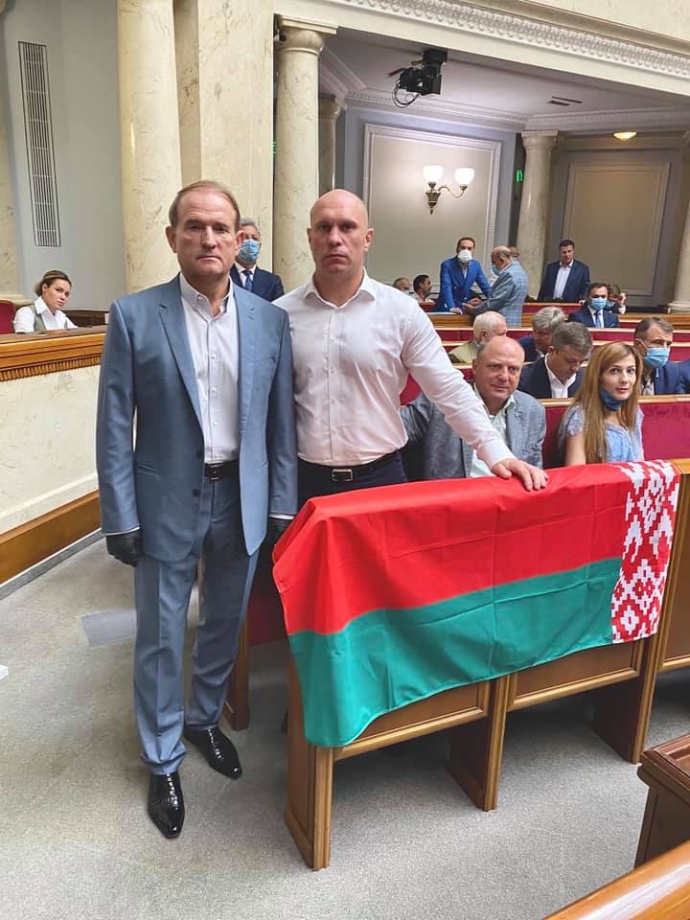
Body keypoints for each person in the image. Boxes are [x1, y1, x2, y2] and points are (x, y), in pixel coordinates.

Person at [96, 180, 297, 840]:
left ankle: (202, 719)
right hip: (163, 502)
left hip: (241, 496)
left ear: (239, 239)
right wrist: (120, 515)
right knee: (160, 634)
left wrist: (280, 505)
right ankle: (162, 758)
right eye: (194, 227)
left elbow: (279, 426)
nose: (208, 239)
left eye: (220, 228)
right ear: (173, 237)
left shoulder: (268, 320)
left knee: (223, 623)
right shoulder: (134, 315)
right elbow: (114, 426)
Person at [275, 189, 547, 506]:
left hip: (379, 478)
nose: (335, 238)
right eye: (324, 227)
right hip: (303, 480)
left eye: (347, 227)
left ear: (367, 238)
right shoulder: (281, 313)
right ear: (310, 238)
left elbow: (447, 387)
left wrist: (496, 451)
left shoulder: (401, 312)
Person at [401, 336, 545, 479]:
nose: (504, 376)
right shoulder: (437, 402)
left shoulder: (533, 411)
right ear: (475, 367)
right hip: (455, 492)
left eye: (513, 369)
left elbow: (534, 473)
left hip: (508, 492)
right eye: (495, 366)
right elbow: (396, 433)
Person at [559, 342, 643, 465]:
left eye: (630, 371)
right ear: (598, 377)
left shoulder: (633, 411)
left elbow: (639, 463)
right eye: (614, 371)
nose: (625, 379)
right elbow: (576, 472)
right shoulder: (580, 416)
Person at [518, 322, 592, 399]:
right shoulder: (522, 380)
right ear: (552, 351)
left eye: (582, 362)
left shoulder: (588, 381)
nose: (576, 368)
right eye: (570, 361)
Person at [467, 245, 528, 326]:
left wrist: (473, 310)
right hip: (514, 322)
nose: (493, 266)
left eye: (494, 262)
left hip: (502, 323)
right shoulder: (520, 271)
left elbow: (494, 303)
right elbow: (507, 299)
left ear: (501, 260)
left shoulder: (509, 274)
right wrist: (483, 303)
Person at [229, 217, 285, 301]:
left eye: (254, 238)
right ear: (236, 243)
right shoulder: (224, 277)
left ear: (259, 246)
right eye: (245, 238)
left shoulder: (272, 282)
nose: (250, 242)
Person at [633, 317, 690, 394]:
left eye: (668, 344)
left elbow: (678, 401)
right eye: (658, 342)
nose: (664, 348)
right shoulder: (621, 369)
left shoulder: (672, 371)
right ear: (638, 345)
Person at [435, 235, 491, 313]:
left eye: (469, 248)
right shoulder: (447, 264)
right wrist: (452, 307)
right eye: (463, 248)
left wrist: (495, 301)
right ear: (457, 249)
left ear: (473, 251)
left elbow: (485, 286)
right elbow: (446, 287)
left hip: (465, 307)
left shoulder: (475, 265)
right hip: (447, 307)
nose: (466, 251)